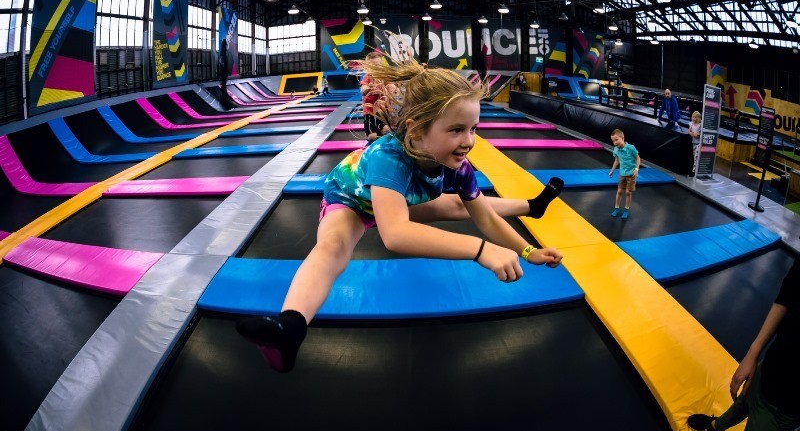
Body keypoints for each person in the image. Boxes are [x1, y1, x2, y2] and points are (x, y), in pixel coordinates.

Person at [236, 54, 566, 373]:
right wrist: (481, 250)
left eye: (473, 129)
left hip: (401, 197)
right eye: (456, 130)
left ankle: (532, 207)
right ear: (417, 130)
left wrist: (528, 251)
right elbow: (395, 235)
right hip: (353, 200)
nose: (468, 141)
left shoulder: (459, 165)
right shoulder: (388, 157)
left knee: (458, 204)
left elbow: (486, 218)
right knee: (333, 247)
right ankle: (290, 326)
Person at [688, 256, 800, 431]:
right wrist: (753, 354)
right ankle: (715, 427)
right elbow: (786, 298)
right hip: (771, 365)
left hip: (787, 404)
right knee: (742, 402)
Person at [608, 128, 640, 220]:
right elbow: (616, 160)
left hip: (631, 174)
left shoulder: (631, 148)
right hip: (622, 174)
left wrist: (636, 169)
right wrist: (612, 170)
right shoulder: (616, 149)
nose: (615, 143)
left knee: (628, 192)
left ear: (622, 138)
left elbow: (638, 158)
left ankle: (626, 210)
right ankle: (616, 208)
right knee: (619, 191)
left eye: (616, 140)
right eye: (613, 141)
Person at [360, 51, 390, 141]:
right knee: (372, 136)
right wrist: (368, 87)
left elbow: (391, 86)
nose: (378, 68)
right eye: (374, 66)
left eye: (379, 65)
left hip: (382, 111)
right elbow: (363, 90)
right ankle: (373, 135)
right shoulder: (368, 77)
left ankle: (382, 132)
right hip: (370, 112)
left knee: (387, 129)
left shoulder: (384, 77)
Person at [688, 111, 702, 176]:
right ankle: (695, 169)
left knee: (696, 156)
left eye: (695, 117)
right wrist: (693, 134)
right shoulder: (691, 124)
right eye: (693, 117)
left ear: (698, 118)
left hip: (699, 143)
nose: (694, 119)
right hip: (694, 142)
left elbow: (698, 135)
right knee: (694, 156)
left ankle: (693, 171)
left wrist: (693, 134)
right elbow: (689, 131)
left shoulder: (700, 125)